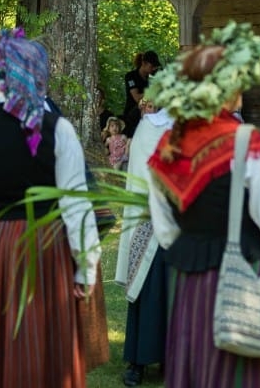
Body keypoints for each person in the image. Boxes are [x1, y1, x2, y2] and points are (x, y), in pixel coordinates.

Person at [144, 21, 260, 388]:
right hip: (243, 276)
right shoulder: (245, 144)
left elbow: (166, 230)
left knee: (197, 369)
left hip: (188, 283)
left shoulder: (167, 147)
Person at [0, 29, 100, 387]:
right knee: (40, 344)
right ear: (39, 74)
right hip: (41, 246)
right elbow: (75, 206)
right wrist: (85, 268)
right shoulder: (60, 130)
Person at [116, 101, 174, 387]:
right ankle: (137, 361)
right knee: (147, 288)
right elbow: (140, 173)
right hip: (151, 218)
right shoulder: (149, 127)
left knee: (177, 293)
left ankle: (172, 359)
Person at [123, 50, 162, 137]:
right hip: (132, 115)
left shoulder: (150, 80)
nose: (153, 69)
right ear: (144, 63)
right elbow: (136, 98)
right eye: (152, 66)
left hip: (147, 114)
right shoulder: (131, 76)